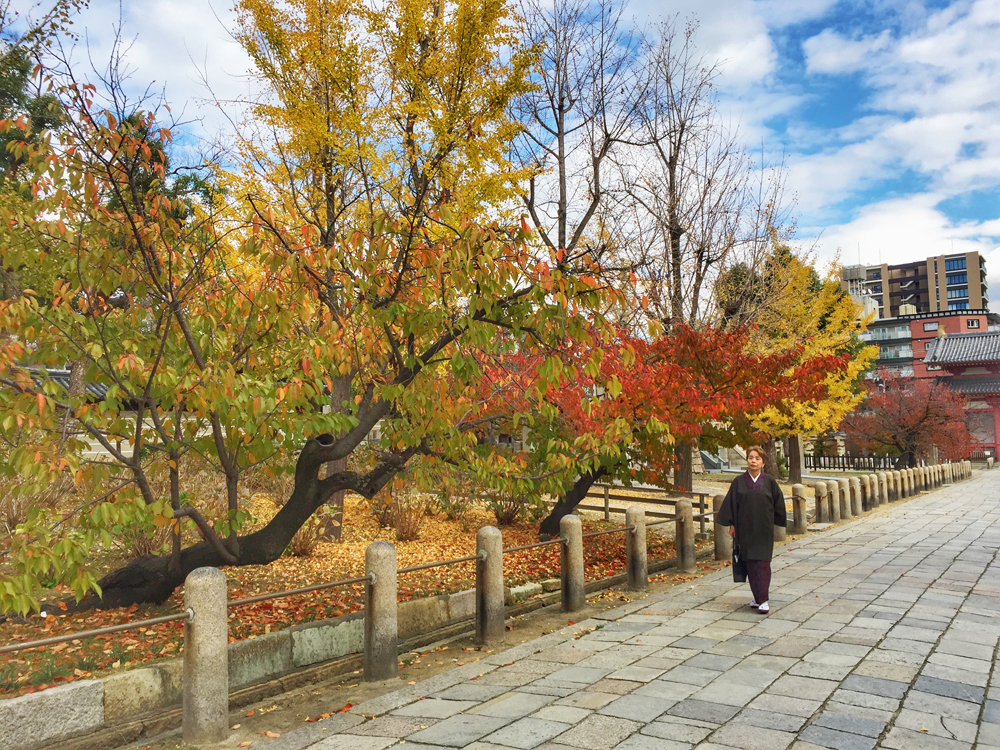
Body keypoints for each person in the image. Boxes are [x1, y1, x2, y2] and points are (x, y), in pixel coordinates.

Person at [716, 445, 786, 613]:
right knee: (749, 562)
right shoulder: (739, 481)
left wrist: (777, 523)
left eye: (757, 458)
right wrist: (732, 524)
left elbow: (778, 503)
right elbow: (732, 504)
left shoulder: (769, 481)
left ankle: (763, 600)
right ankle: (757, 596)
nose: (753, 461)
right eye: (750, 458)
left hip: (763, 529)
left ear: (763, 462)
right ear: (747, 460)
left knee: (762, 563)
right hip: (744, 529)